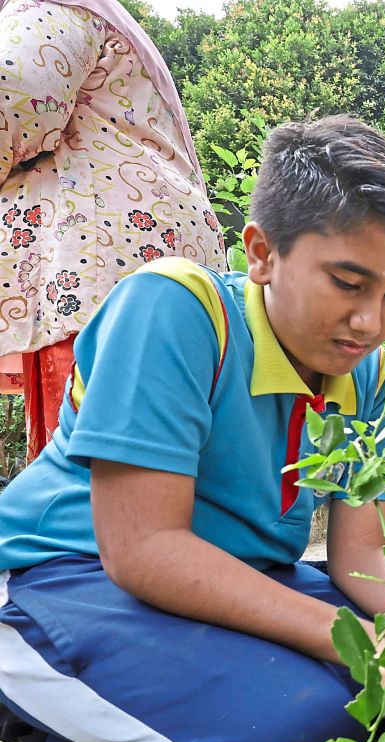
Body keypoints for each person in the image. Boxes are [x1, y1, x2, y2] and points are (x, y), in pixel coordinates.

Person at [0, 115, 385, 742]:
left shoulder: (367, 375)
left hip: (236, 579)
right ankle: (43, 705)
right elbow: (144, 550)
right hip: (70, 577)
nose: (370, 322)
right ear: (262, 253)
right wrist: (361, 642)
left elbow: (360, 557)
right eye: (347, 282)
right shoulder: (177, 309)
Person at [0, 0, 225, 462]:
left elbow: (15, 100)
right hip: (151, 263)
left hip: (95, 264)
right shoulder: (98, 16)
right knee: (162, 445)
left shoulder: (48, 8)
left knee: (91, 463)